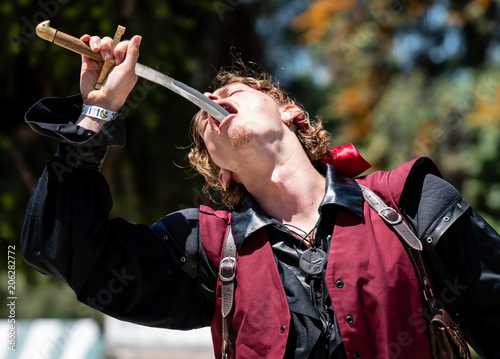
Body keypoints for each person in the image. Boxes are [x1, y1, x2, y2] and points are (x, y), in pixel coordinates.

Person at [21, 33, 500, 359]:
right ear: (221, 172)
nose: (215, 102)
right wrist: (95, 116)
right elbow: (69, 253)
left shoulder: (410, 202)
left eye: (235, 89)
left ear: (291, 114)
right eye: (201, 126)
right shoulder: (206, 249)